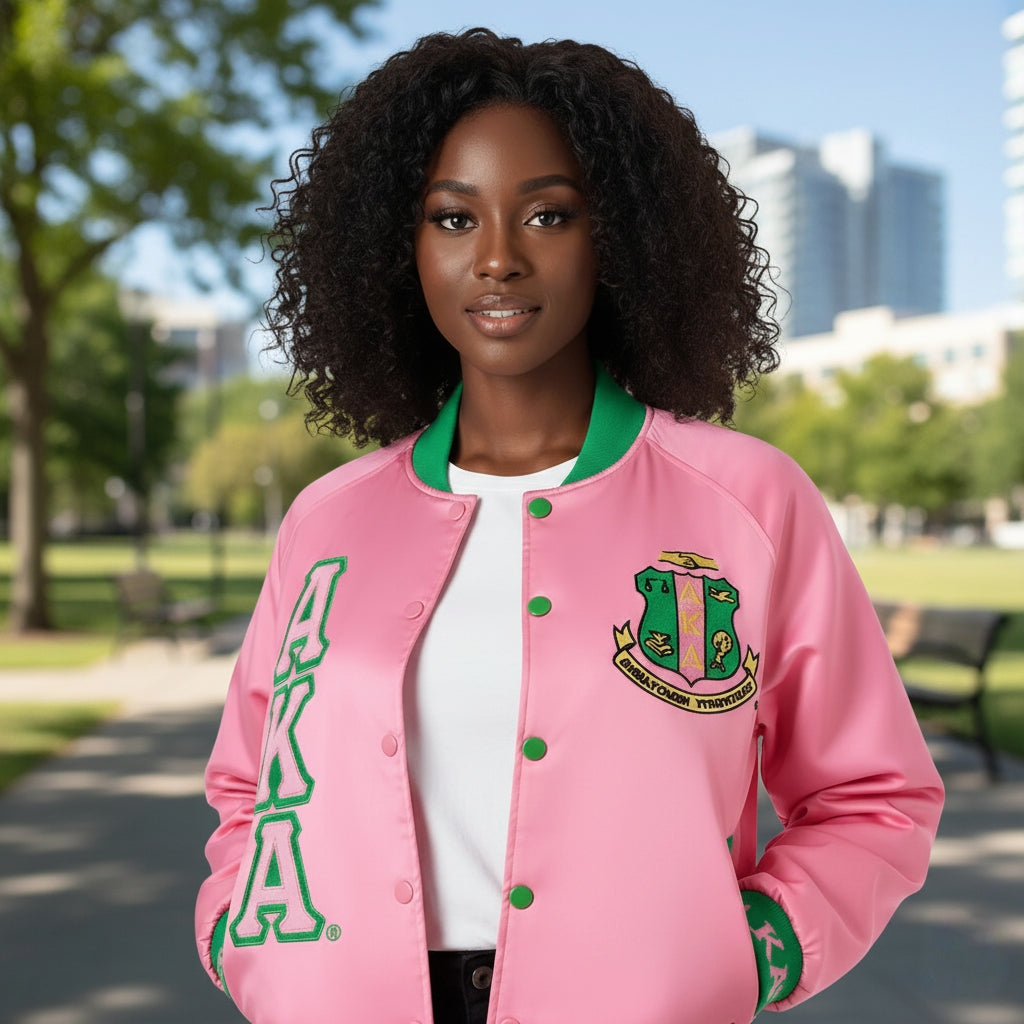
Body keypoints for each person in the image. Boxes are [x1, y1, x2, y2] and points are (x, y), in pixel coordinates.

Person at [195, 28, 943, 1024]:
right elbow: (249, 783)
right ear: (398, 247)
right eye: (452, 218)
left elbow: (873, 795)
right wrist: (237, 931)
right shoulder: (325, 520)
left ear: (619, 237)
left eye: (548, 214)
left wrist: (754, 949)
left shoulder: (747, 501)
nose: (497, 258)